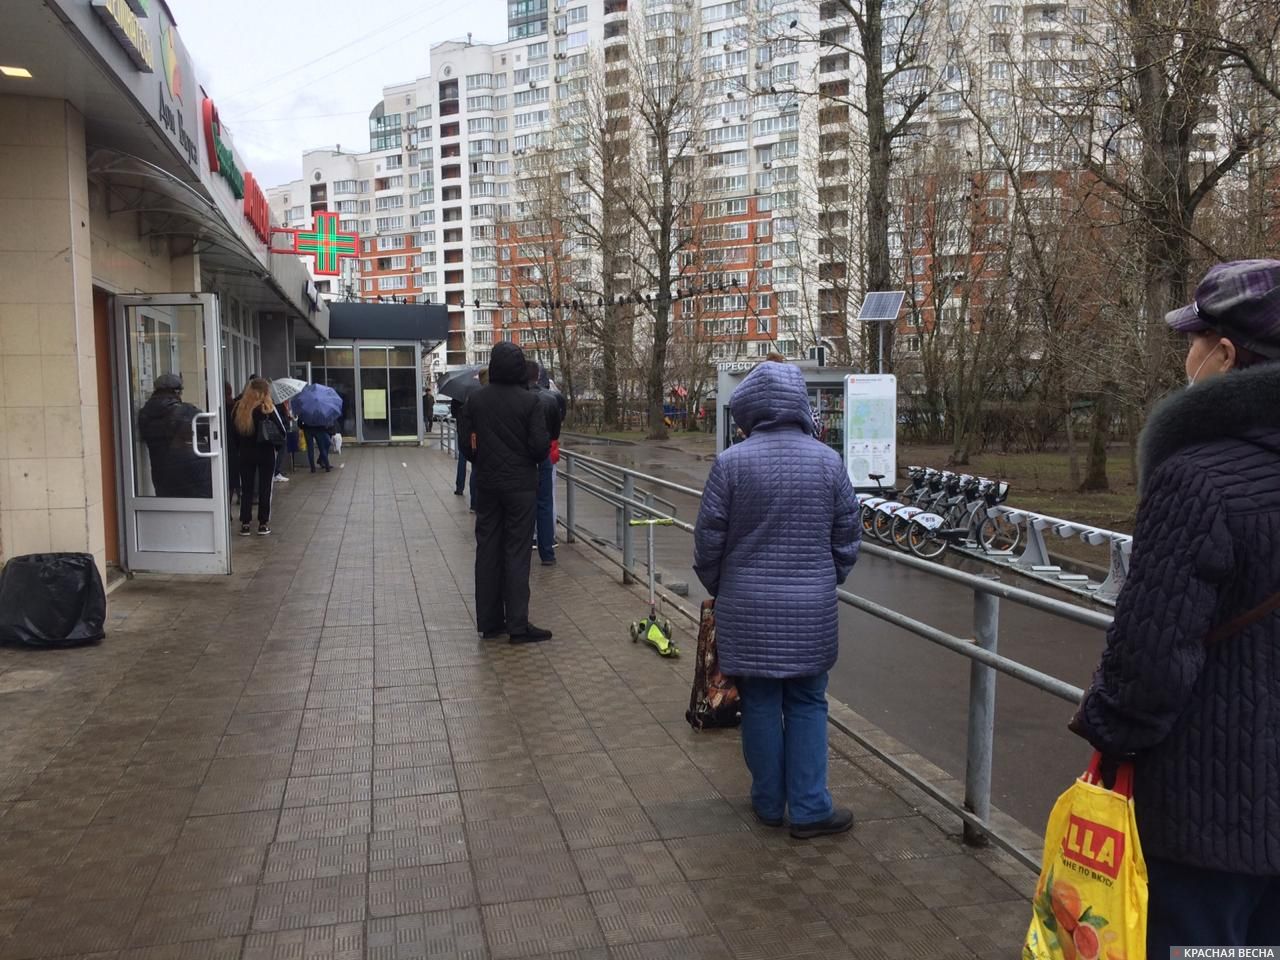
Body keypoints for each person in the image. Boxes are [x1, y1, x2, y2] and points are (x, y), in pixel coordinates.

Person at [1070, 259, 1280, 953]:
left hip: (1209, 821)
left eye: (1194, 342)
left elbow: (1149, 661)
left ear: (1225, 355)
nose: (1185, 357)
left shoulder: (1198, 478)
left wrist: (1107, 728)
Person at [693, 359, 860, 839]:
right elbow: (848, 533)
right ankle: (809, 809)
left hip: (745, 606)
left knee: (761, 701)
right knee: (808, 701)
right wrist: (828, 578)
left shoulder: (730, 463)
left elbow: (709, 540)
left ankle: (768, 802)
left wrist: (720, 587)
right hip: (811, 607)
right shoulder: (828, 461)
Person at [458, 342, 552, 643]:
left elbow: (466, 448)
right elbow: (540, 449)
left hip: (487, 484)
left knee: (487, 550)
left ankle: (489, 622)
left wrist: (484, 460)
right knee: (516, 551)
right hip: (521, 487)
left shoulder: (475, 400)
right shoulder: (530, 402)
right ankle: (518, 625)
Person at [138, 373, 212, 498]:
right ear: (176, 392)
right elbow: (210, 428)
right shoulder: (186, 411)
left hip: (161, 473)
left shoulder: (144, 414)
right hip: (192, 473)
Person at [231, 377, 281, 536]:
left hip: (245, 453)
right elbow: (281, 432)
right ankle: (263, 523)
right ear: (265, 392)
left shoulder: (238, 409)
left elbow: (233, 435)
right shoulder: (268, 409)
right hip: (266, 453)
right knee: (266, 488)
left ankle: (245, 523)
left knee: (246, 489)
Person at [528, 361, 564, 567]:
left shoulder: (521, 398)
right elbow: (556, 431)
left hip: (525, 457)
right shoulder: (552, 399)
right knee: (546, 501)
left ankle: (529, 540)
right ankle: (547, 549)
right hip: (546, 455)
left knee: (527, 501)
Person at [451, 395, 476, 510]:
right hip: (475, 435)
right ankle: (474, 501)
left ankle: (459, 487)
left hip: (462, 433)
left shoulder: (457, 397)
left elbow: (453, 413)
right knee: (476, 467)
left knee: (462, 459)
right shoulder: (477, 396)